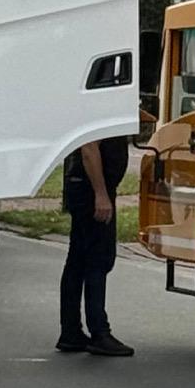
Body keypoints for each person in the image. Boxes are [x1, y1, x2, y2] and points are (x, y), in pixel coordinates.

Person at [56, 136, 134, 357]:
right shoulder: (102, 112)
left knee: (78, 261)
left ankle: (70, 331)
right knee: (98, 260)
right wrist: (101, 194)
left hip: (84, 185)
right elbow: (89, 149)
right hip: (91, 189)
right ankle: (99, 332)